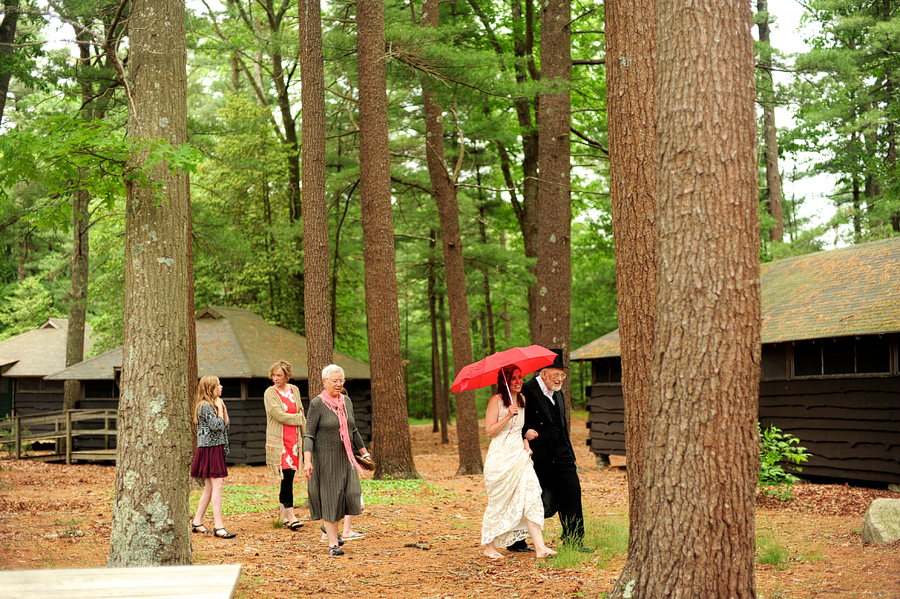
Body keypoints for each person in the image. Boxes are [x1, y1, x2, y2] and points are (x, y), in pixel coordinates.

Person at [507, 349, 593, 553]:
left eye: (562, 375)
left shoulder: (558, 392)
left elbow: (561, 424)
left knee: (571, 491)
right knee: (528, 497)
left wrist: (570, 453)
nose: (560, 379)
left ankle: (574, 540)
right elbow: (512, 421)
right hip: (536, 455)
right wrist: (524, 431)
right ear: (543, 373)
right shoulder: (525, 390)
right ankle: (516, 541)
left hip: (562, 454)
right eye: (556, 374)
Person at [480, 365, 557, 560]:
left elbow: (519, 429)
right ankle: (489, 546)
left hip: (520, 457)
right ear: (504, 381)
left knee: (532, 497)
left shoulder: (522, 399)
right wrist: (507, 415)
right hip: (500, 459)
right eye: (513, 378)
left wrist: (526, 442)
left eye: (520, 377)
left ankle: (540, 547)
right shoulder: (495, 401)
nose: (518, 381)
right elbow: (490, 432)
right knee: (499, 503)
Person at [303, 364, 370, 556]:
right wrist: (307, 461)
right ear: (325, 382)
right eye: (335, 381)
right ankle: (333, 543)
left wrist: (364, 453)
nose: (339, 384)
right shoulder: (317, 404)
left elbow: (353, 430)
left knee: (350, 494)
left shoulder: (346, 401)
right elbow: (309, 435)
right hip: (326, 459)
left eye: (341, 380)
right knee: (331, 499)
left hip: (346, 458)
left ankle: (330, 528)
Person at [190, 375, 236, 539]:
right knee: (218, 484)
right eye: (218, 385)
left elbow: (226, 424)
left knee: (210, 487)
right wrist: (219, 407)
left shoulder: (215, 404)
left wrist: (221, 407)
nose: (221, 387)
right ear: (211, 388)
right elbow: (217, 426)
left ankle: (197, 521)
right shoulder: (205, 406)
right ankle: (218, 525)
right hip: (209, 448)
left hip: (215, 447)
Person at [264, 360, 308, 530]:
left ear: (287, 376)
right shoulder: (270, 393)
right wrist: (296, 418)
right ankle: (291, 515)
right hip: (279, 441)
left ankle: (282, 516)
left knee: (290, 477)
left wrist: (304, 435)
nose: (276, 378)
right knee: (287, 477)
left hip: (294, 440)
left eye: (279, 375)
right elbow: (278, 414)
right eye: (274, 375)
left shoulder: (294, 390)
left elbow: (301, 411)